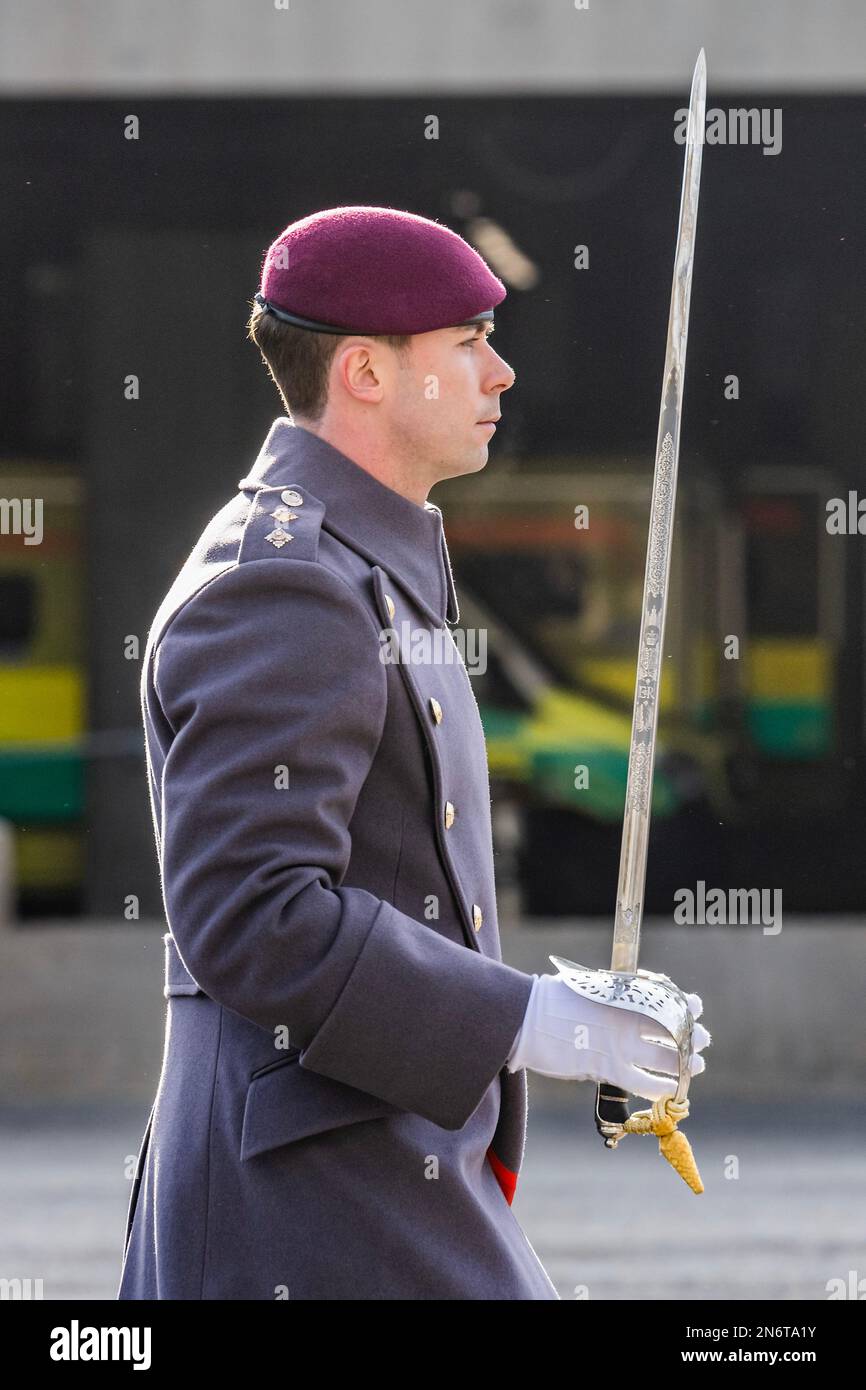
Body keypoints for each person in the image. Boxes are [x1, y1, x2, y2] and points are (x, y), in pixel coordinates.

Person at [117, 205, 709, 1301]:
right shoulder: (283, 580)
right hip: (304, 1207)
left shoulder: (350, 561)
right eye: (466, 342)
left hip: (369, 1171)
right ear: (365, 373)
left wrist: (560, 1005)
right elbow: (252, 912)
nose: (501, 372)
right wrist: (529, 1021)